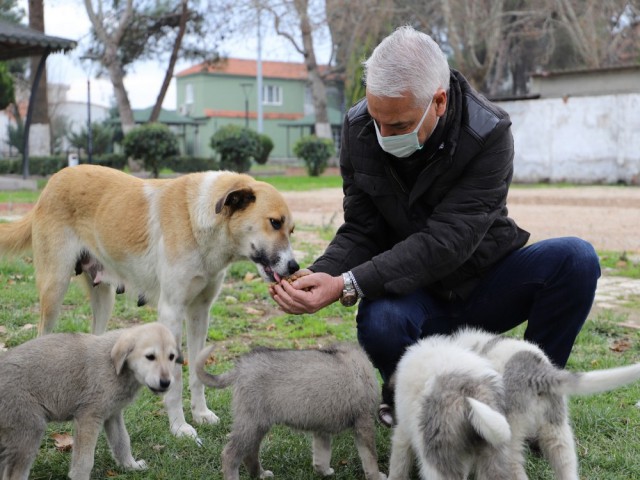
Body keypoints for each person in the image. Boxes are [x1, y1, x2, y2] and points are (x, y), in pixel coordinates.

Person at [269, 25, 601, 426]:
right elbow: (362, 229)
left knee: (576, 259)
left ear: (439, 101)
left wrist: (346, 284)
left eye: (398, 125)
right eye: (377, 119)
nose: (383, 134)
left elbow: (448, 240)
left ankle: (529, 402)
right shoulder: (359, 129)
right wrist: (321, 274)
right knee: (381, 321)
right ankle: (417, 402)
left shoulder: (489, 132)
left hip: (485, 283)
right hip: (414, 297)